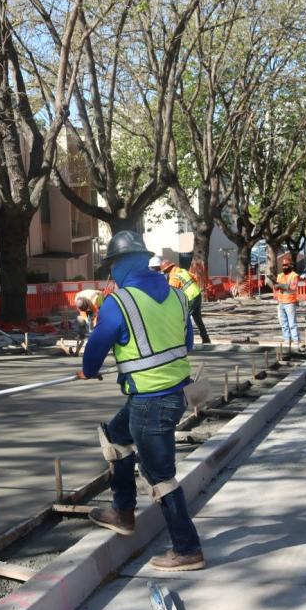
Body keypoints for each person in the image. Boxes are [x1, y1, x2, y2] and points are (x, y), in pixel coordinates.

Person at [78, 231, 205, 571]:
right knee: (116, 437)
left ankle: (187, 548)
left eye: (111, 268)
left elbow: (95, 352)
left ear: (119, 266)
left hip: (151, 401)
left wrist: (88, 371)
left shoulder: (119, 303)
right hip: (172, 393)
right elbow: (186, 343)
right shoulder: (178, 296)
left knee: (159, 476)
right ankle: (123, 512)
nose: (110, 276)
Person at [160, 259, 211, 345]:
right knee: (198, 319)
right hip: (197, 294)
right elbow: (195, 278)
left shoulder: (174, 277)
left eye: (165, 271)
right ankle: (206, 339)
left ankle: (179, 340)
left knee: (183, 319)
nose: (165, 273)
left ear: (168, 269)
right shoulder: (183, 271)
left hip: (191, 297)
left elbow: (173, 293)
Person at [266, 253, 301, 346]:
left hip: (290, 302)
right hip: (281, 302)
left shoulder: (294, 276)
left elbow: (293, 287)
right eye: (283, 265)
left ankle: (296, 340)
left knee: (292, 323)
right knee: (283, 323)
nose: (284, 267)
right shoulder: (280, 275)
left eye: (286, 265)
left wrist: (280, 285)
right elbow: (276, 288)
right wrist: (275, 284)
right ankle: (286, 339)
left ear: (290, 265)